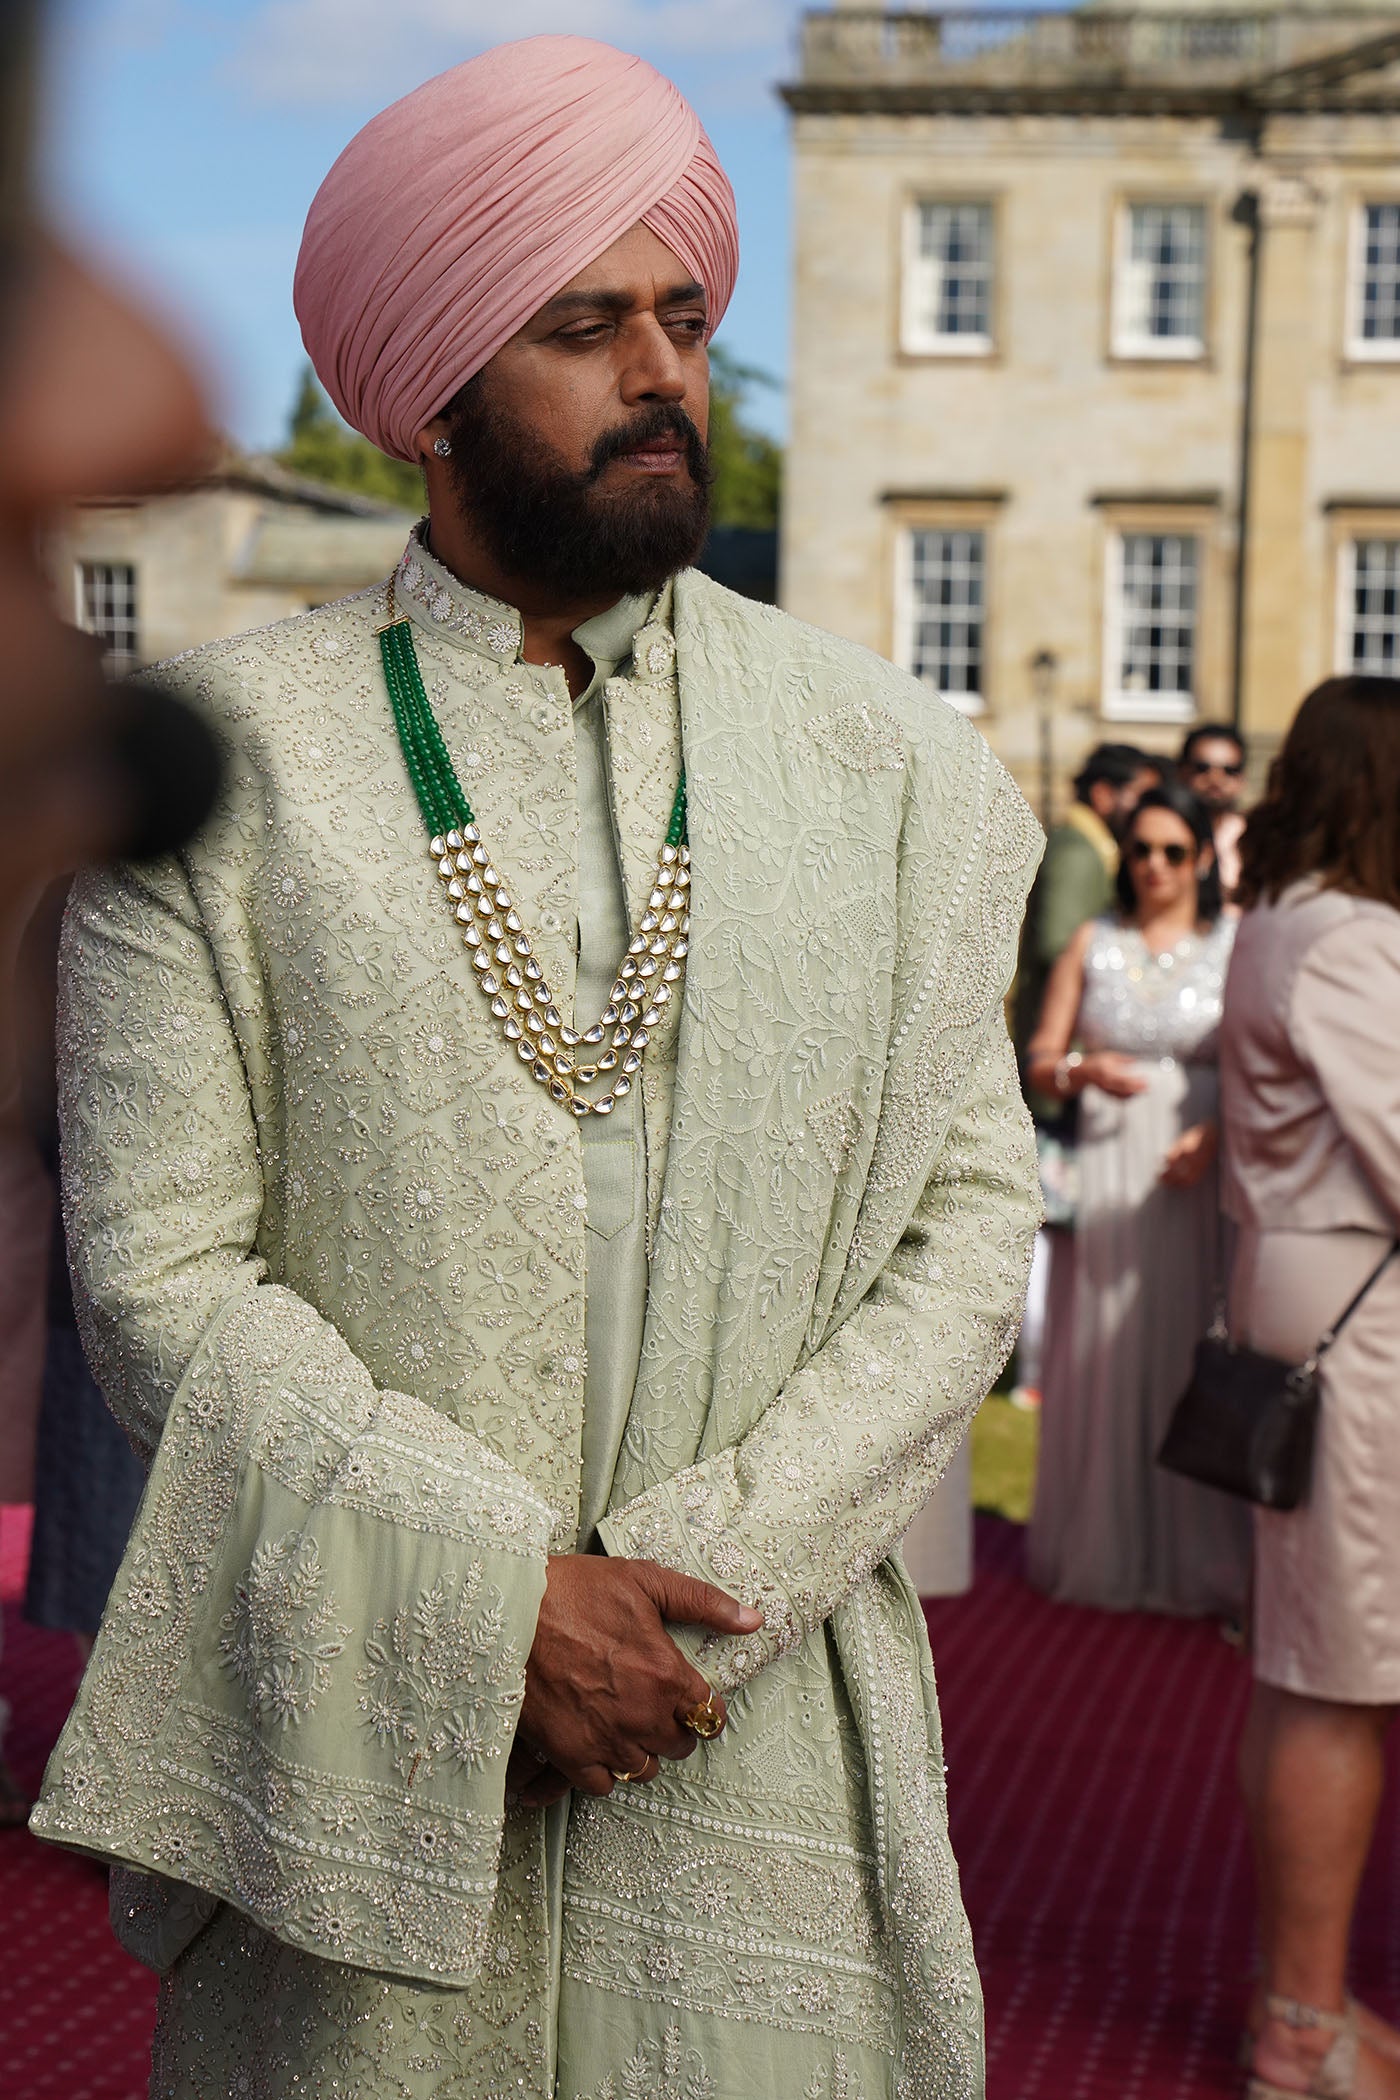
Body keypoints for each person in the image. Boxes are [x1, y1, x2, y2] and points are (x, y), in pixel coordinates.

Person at [31, 37, 1043, 2100]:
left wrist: (701, 1591)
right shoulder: (222, 772)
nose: (664, 372)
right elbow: (156, 1278)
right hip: (365, 1725)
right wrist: (491, 1603)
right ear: (417, 395)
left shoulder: (899, 769)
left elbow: (973, 1217)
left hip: (741, 1700)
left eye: (682, 317)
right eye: (583, 328)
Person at [1221, 678, 1400, 2100]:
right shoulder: (1346, 938)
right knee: (1339, 1676)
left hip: (1313, 1292)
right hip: (1359, 1313)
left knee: (1310, 1665)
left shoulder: (1284, 917)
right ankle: (1302, 2030)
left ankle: (1310, 2005)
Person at [1023, 782, 1251, 1615]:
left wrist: (1220, 1131)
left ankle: (1198, 1551)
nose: (1154, 866)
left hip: (1197, 1158)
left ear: (1200, 860)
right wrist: (1084, 1070)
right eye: (1141, 849)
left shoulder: (1237, 942)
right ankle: (1110, 1542)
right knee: (1106, 1353)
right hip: (1114, 1159)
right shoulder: (1097, 938)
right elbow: (1042, 1056)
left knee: (1190, 1336)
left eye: (1172, 851)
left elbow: (1262, 1063)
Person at [1179, 721, 1249, 901]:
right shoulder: (1159, 832)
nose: (1216, 779)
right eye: (1202, 768)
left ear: (1242, 778)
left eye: (1230, 770)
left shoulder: (1255, 840)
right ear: (1181, 771)